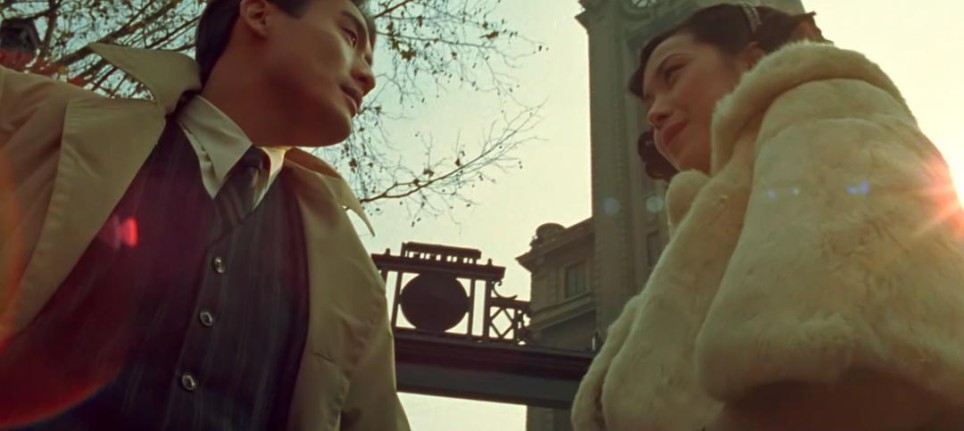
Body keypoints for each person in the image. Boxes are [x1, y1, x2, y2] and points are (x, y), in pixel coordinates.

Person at [0, 0, 410, 430]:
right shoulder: (33, 119)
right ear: (259, 13)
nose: (369, 77)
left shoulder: (353, 282)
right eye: (350, 36)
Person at [572, 3, 964, 431]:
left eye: (674, 74)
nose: (655, 112)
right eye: (648, 101)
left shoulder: (829, 114)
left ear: (754, 61)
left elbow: (859, 367)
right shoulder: (717, 213)